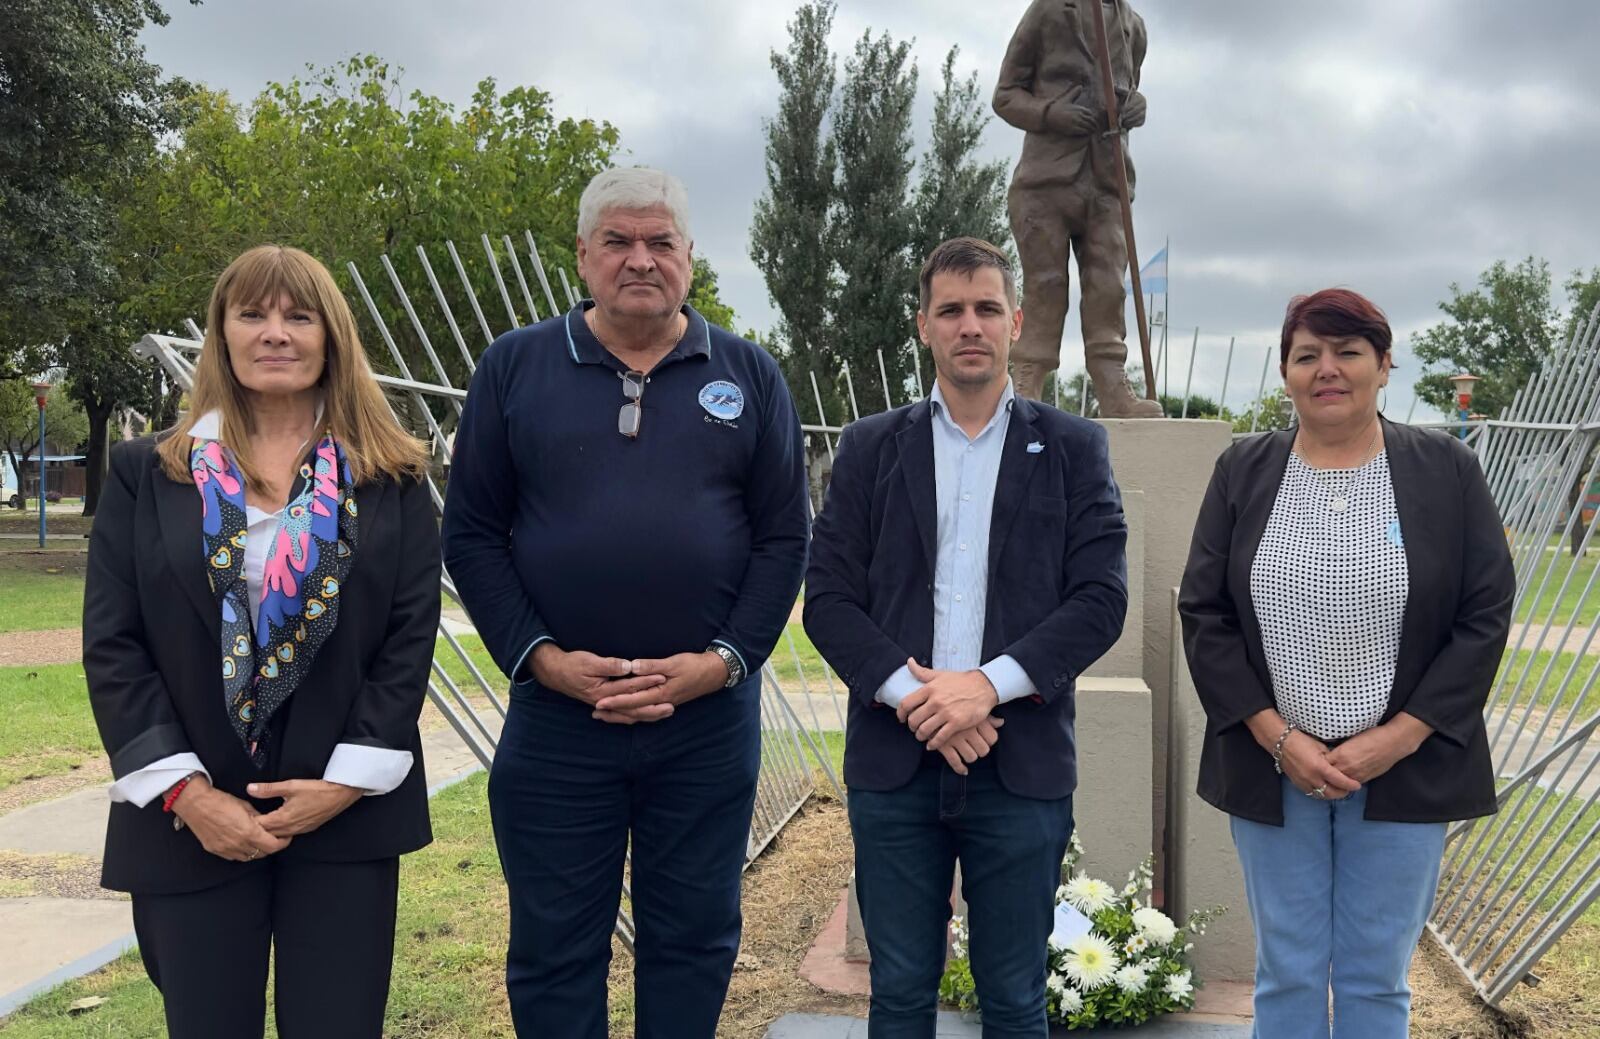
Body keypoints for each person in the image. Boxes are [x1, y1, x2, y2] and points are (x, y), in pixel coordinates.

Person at [441, 167, 809, 1038]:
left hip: (706, 724)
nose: (640, 259)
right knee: (555, 945)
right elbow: (473, 535)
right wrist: (541, 656)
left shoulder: (750, 375)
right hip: (562, 719)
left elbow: (784, 542)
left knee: (693, 939)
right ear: (582, 255)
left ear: (690, 257)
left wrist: (721, 664)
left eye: (660, 242)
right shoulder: (515, 366)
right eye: (618, 241)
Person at [84, 244, 440, 1038]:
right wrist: (189, 794)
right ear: (223, 334)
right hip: (191, 820)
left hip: (342, 816)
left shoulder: (392, 480)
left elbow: (408, 642)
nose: (275, 332)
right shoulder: (146, 474)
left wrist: (343, 784)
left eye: (297, 315)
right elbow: (114, 644)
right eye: (253, 313)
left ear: (331, 338)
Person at [804, 237, 1129, 1036]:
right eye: (951, 310)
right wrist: (921, 698)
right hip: (894, 764)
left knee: (1016, 997)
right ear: (924, 326)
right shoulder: (871, 446)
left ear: (1016, 320)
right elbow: (829, 599)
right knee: (901, 992)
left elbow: (1099, 599)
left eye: (987, 307)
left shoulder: (1073, 447)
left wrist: (983, 687)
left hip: (1018, 765)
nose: (970, 324)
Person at [1179, 288, 1515, 1038]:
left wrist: (1395, 738)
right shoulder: (1243, 470)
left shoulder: (1446, 470)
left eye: (1348, 351)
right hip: (1274, 764)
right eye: (1308, 355)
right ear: (1285, 371)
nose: (1327, 369)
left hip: (1404, 769)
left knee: (1373, 978)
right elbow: (1205, 613)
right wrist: (1279, 737)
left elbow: (1484, 613)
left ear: (1384, 364)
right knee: (1288, 970)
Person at [992, 0, 1162, 415]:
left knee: (1108, 284)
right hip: (1046, 179)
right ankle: (1028, 374)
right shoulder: (1050, 10)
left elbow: (1126, 90)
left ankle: (1112, 385)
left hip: (1108, 179)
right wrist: (1053, 114)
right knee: (1045, 284)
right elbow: (1005, 96)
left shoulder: (1133, 27)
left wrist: (1137, 106)